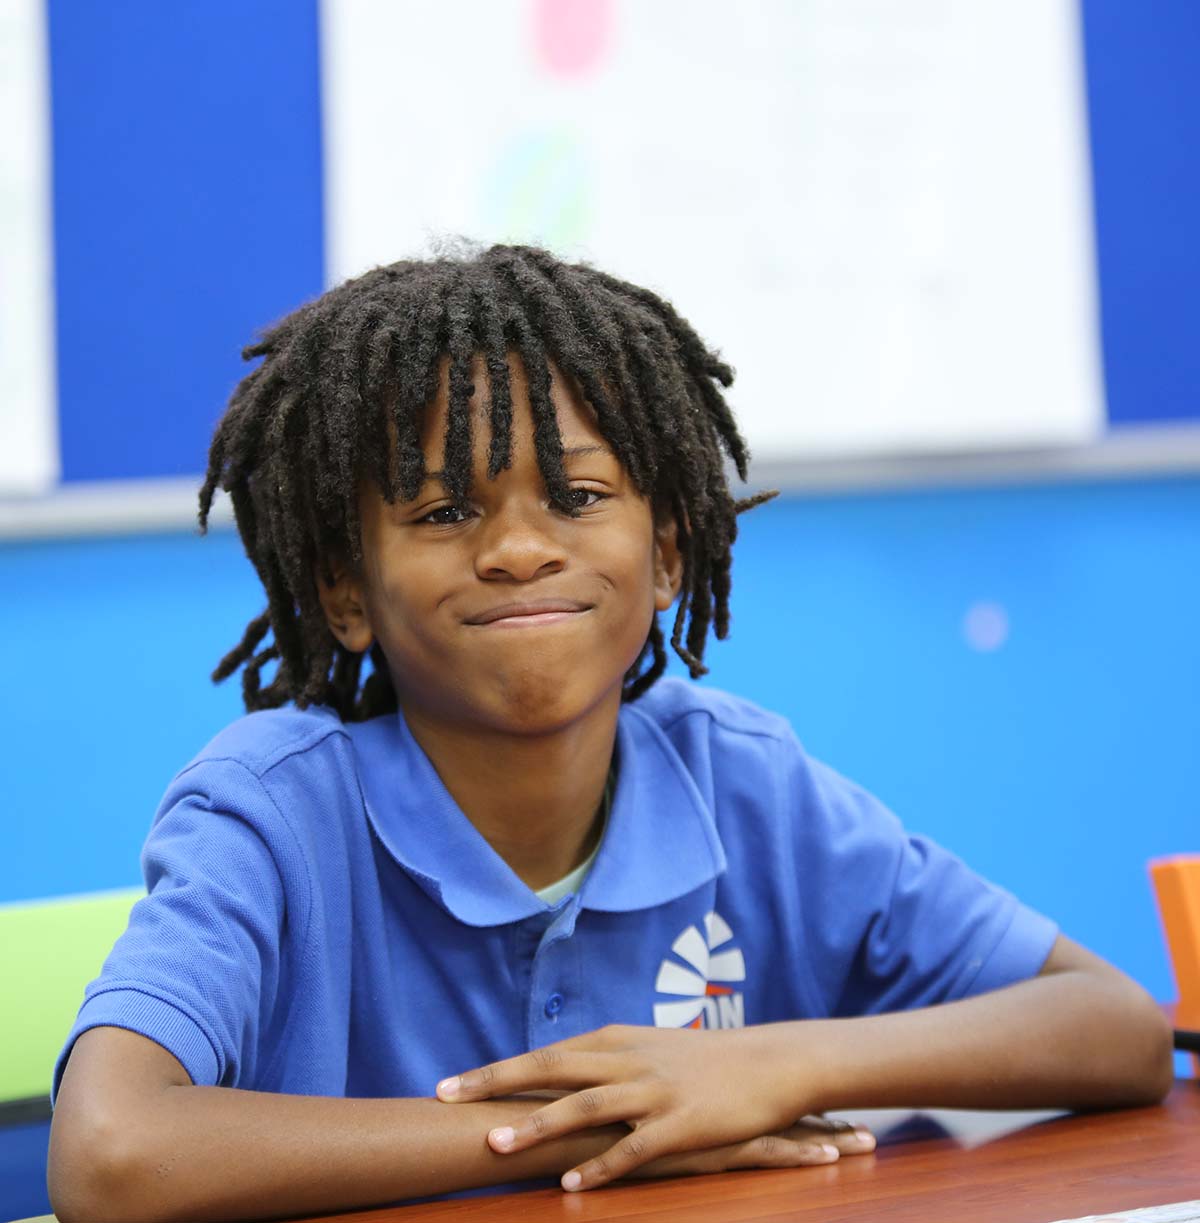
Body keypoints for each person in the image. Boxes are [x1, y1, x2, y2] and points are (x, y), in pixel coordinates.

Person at [47, 243, 1172, 1223]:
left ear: (670, 549)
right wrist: (598, 1125)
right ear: (348, 592)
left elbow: (1114, 1024)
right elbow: (110, 1150)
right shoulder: (273, 811)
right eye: (444, 512)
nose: (522, 549)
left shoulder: (741, 781)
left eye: (579, 496)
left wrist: (763, 1066)